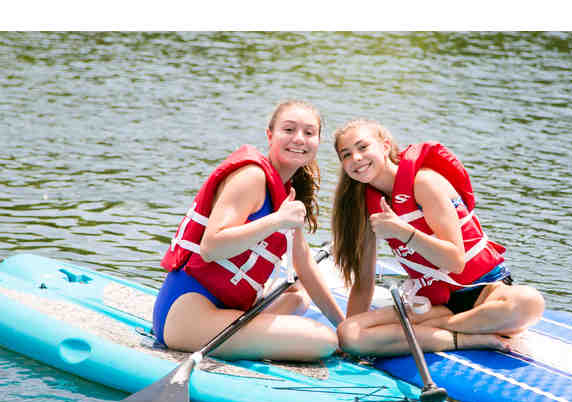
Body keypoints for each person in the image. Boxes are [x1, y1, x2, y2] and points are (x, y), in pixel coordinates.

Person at [331, 118, 545, 357]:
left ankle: (435, 330)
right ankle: (466, 337)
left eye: (363, 147)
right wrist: (347, 350)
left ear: (385, 145)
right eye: (346, 155)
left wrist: (403, 232)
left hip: (485, 294)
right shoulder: (366, 206)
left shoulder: (424, 182)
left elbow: (455, 261)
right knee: (349, 333)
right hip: (435, 306)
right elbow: (363, 282)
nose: (356, 158)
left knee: (529, 302)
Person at [153, 100, 343, 361]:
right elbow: (211, 247)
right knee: (324, 340)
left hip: (224, 308)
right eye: (289, 130)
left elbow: (305, 265)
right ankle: (246, 338)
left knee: (299, 296)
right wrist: (277, 220)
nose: (299, 139)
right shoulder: (252, 176)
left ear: (318, 142)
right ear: (270, 135)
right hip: (185, 316)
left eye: (309, 133)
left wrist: (343, 326)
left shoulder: (285, 192)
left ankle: (249, 335)